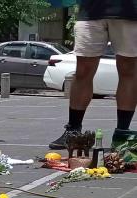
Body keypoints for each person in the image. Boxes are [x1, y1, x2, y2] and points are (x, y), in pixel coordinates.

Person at [49, 0, 136, 149]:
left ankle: (122, 133)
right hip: (91, 10)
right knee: (83, 71)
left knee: (128, 70)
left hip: (130, 11)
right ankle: (73, 131)